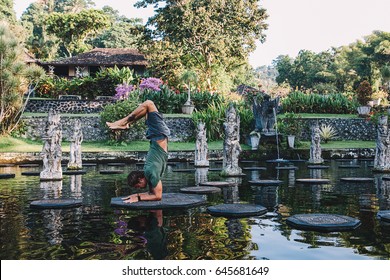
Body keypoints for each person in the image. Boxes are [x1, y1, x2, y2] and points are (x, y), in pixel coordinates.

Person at [106, 100, 170, 203]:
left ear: (141, 179)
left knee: (148, 104)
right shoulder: (149, 175)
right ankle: (125, 124)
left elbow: (157, 196)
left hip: (158, 134)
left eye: (137, 186)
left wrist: (138, 197)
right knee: (146, 108)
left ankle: (124, 123)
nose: (139, 188)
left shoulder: (150, 173)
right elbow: (153, 194)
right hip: (156, 137)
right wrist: (136, 195)